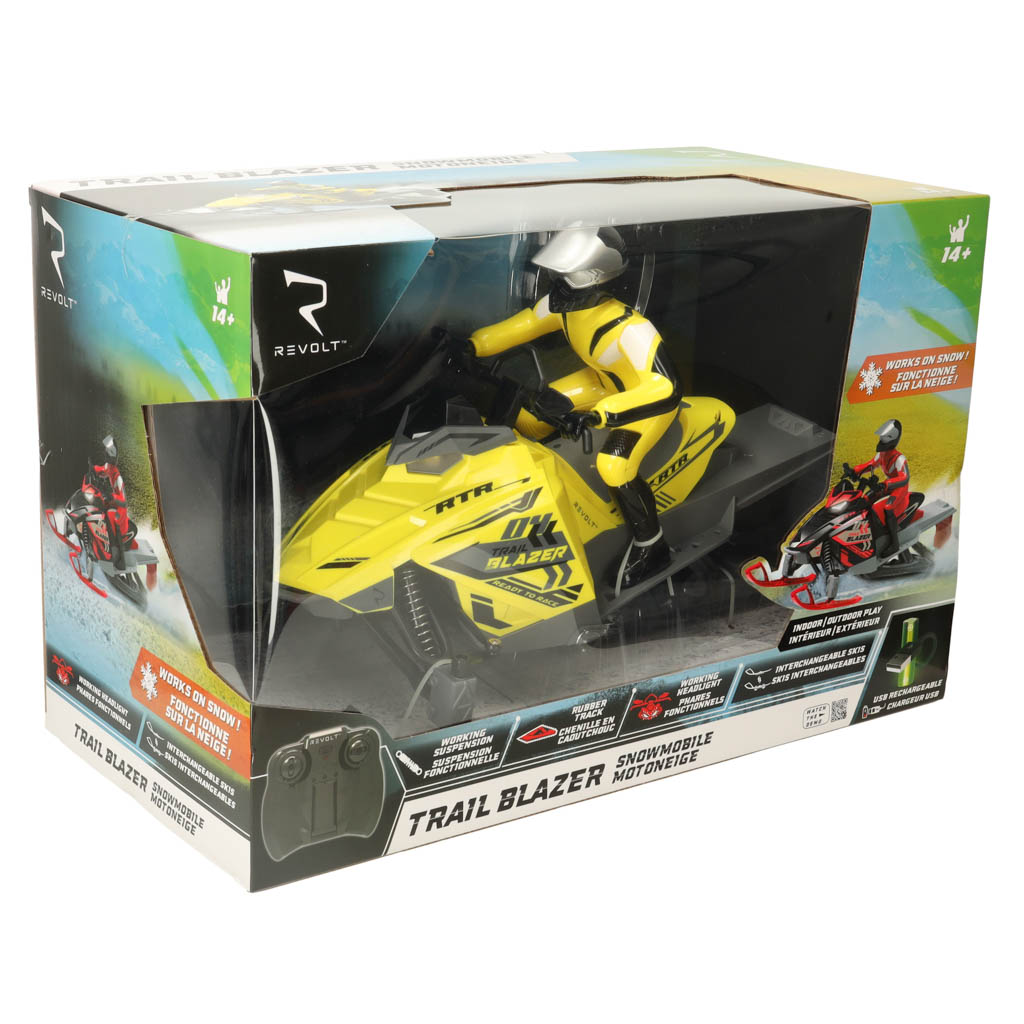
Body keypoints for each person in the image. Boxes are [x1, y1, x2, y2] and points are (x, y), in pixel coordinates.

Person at [467, 226, 685, 589]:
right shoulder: (565, 308)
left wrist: (604, 412)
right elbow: (524, 324)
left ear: (592, 276)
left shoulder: (631, 329)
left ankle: (652, 545)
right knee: (529, 418)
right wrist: (474, 345)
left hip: (643, 403)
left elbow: (665, 386)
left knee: (613, 465)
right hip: (600, 384)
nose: (558, 285)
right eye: (558, 276)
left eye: (567, 277)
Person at [849, 419, 909, 556]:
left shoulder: (899, 458)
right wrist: (855, 471)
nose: (881, 440)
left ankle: (894, 544)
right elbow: (871, 464)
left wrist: (886, 484)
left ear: (892, 437)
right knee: (866, 498)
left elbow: (904, 477)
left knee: (888, 507)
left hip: (899, 487)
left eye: (884, 438)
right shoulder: (882, 454)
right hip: (888, 484)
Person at [83, 435, 135, 570]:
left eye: (110, 452)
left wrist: (111, 496)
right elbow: (101, 470)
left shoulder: (117, 476)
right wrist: (92, 468)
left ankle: (118, 558)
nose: (107, 455)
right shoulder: (109, 467)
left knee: (110, 515)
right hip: (112, 503)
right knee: (102, 509)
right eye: (107, 452)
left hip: (119, 508)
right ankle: (98, 545)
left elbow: (123, 500)